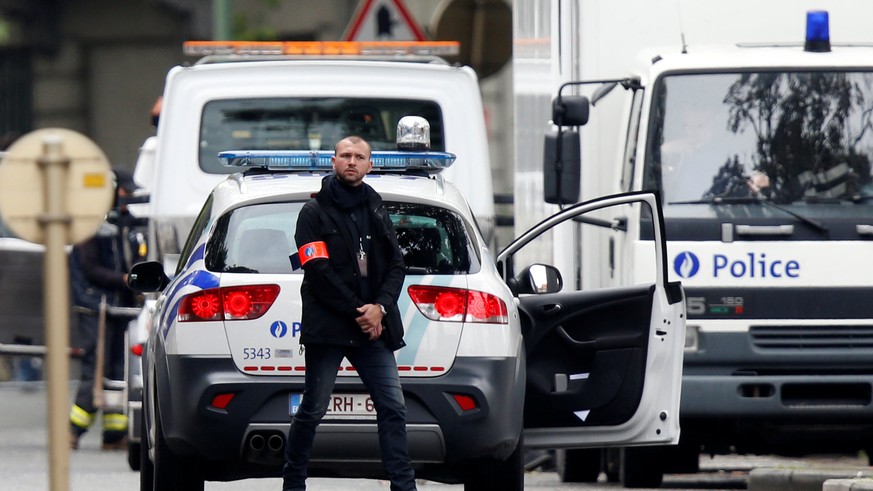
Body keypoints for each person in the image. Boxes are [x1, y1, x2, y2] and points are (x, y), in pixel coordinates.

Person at [283, 136, 415, 491]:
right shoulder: (313, 213)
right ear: (334, 161)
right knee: (313, 409)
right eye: (345, 156)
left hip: (373, 327)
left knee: (393, 407)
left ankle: (404, 487)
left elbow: (397, 264)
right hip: (330, 327)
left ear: (370, 165)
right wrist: (361, 311)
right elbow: (318, 272)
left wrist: (381, 308)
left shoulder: (375, 207)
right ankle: (293, 483)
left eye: (359, 157)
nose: (352, 161)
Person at [69, 169, 147, 450]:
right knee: (96, 366)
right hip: (96, 306)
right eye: (124, 192)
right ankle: (73, 430)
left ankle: (114, 434)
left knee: (117, 370)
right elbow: (91, 269)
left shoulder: (119, 223)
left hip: (116, 306)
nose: (127, 198)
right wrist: (125, 280)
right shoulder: (89, 224)